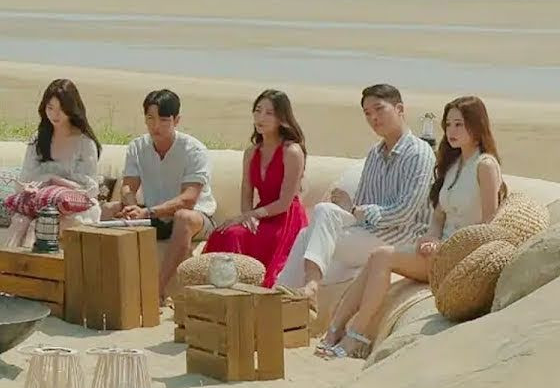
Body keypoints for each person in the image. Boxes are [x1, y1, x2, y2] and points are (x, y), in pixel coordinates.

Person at [317, 95, 506, 359]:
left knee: (382, 256)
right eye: (448, 125)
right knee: (376, 258)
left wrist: (447, 246)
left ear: (476, 126)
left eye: (459, 125)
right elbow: (437, 217)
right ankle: (335, 330)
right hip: (437, 250)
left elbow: (489, 224)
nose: (451, 131)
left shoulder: (485, 165)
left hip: (462, 255)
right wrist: (430, 237)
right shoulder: (453, 165)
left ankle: (356, 335)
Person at [276, 83, 435, 303]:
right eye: (367, 113)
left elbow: (404, 213)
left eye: (379, 109)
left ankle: (306, 288)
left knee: (318, 223)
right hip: (367, 235)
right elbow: (361, 205)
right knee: (311, 228)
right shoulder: (375, 154)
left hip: (400, 239)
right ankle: (284, 299)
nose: (373, 118)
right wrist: (349, 208)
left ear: (399, 109)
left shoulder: (419, 153)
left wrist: (354, 210)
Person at [101, 89, 217, 302]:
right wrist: (131, 206)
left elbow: (189, 199)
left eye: (164, 120)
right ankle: (105, 284)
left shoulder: (194, 150)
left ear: (176, 120)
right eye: (150, 118)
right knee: (108, 209)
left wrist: (147, 212)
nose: (156, 126)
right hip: (152, 214)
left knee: (183, 216)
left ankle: (157, 291)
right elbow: (128, 187)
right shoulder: (138, 146)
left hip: (196, 217)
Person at [203, 90, 309, 288]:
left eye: (269, 113)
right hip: (260, 214)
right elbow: (246, 192)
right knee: (224, 233)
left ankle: (240, 289)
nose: (261, 117)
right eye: (258, 111)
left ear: (282, 118)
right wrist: (247, 216)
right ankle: (217, 292)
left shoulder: (292, 152)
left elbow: (284, 203)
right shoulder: (251, 152)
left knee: (235, 235)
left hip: (286, 218)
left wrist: (250, 215)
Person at [3, 79, 103, 248]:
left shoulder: (85, 143)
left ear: (71, 109)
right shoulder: (39, 139)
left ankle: (29, 265)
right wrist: (29, 187)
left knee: (38, 226)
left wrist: (54, 180)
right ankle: (4, 264)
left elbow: (89, 190)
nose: (55, 115)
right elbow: (26, 177)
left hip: (75, 209)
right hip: (40, 203)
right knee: (20, 221)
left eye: (61, 109)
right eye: (50, 108)